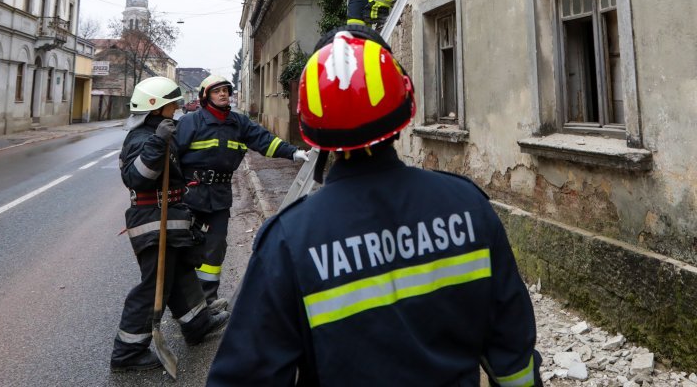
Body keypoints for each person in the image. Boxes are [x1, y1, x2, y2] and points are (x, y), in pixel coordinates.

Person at [207, 26, 544, 386]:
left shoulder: (289, 242)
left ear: (312, 127)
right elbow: (513, 357)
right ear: (405, 109)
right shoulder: (469, 207)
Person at [111, 76, 229, 372]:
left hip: (169, 217)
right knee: (155, 287)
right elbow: (136, 178)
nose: (176, 107)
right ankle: (127, 353)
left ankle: (197, 325)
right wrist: (156, 142)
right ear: (155, 107)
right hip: (152, 221)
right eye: (171, 103)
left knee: (181, 274)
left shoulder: (161, 131)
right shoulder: (142, 138)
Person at [175, 74, 310, 307]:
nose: (223, 94)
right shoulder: (191, 122)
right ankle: (184, 302)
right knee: (186, 245)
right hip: (190, 195)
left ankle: (207, 301)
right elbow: (173, 157)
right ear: (206, 96)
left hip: (219, 196)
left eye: (226, 90)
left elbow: (264, 140)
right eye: (217, 91)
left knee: (215, 246)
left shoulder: (239, 123)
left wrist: (293, 153)